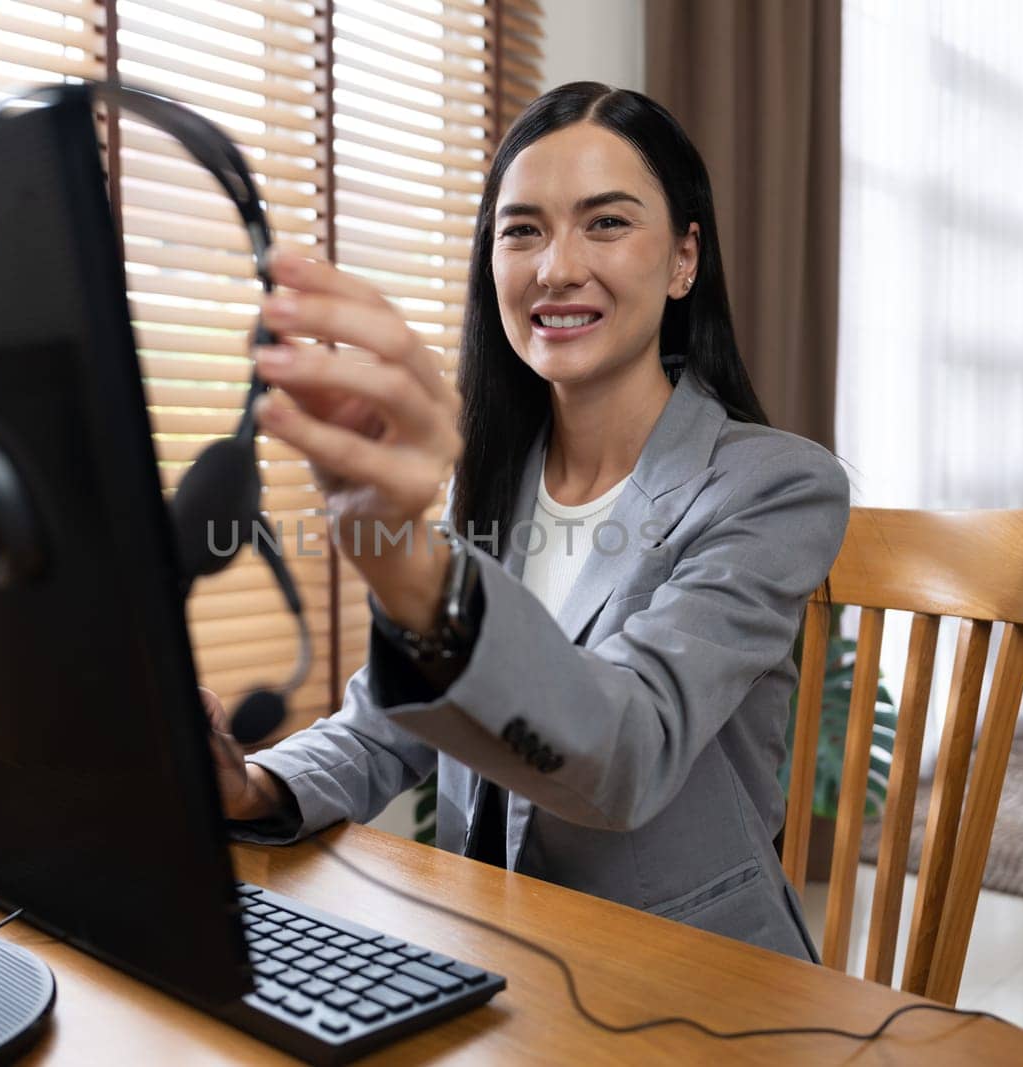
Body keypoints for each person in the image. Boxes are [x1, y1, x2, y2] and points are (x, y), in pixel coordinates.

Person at [198, 82, 848, 962]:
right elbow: (393, 719)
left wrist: (418, 575)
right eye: (523, 229)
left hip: (694, 985)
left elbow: (629, 750)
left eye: (607, 223)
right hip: (506, 959)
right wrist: (256, 783)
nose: (556, 268)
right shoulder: (497, 473)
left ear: (685, 259)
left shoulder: (774, 484)